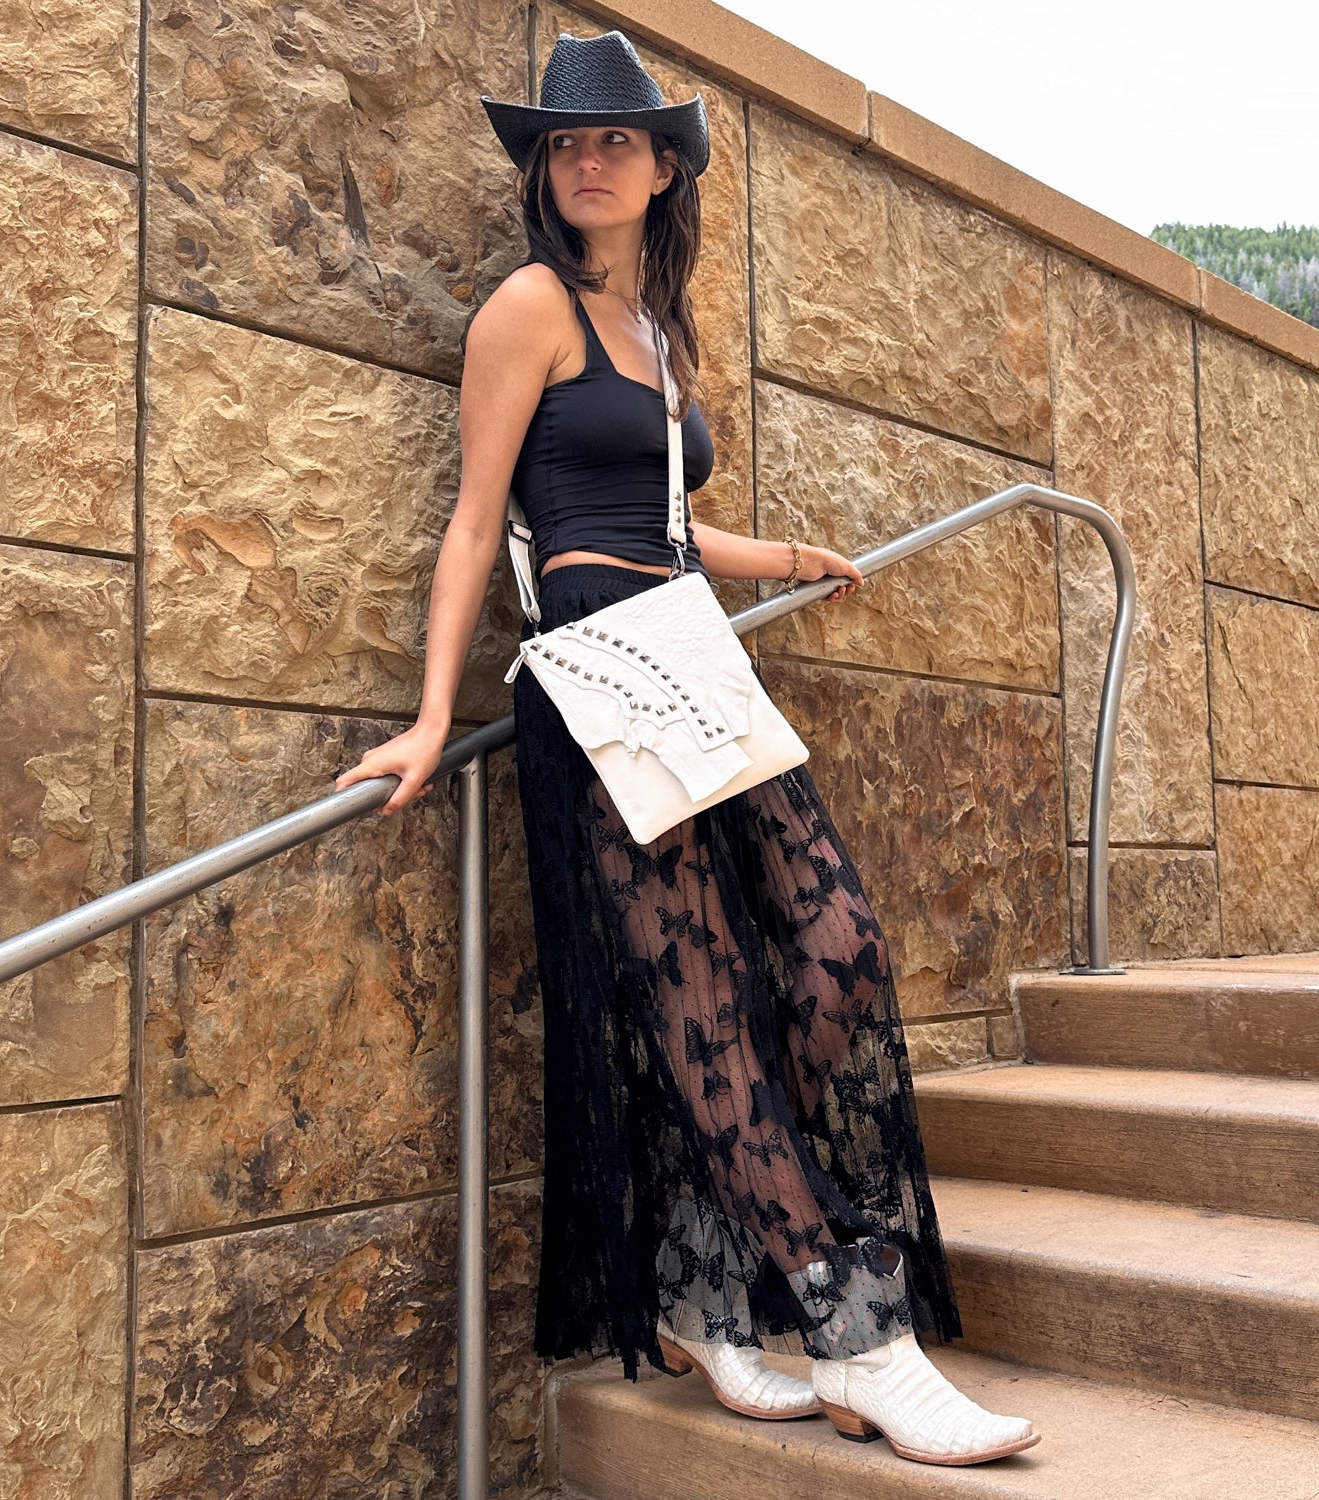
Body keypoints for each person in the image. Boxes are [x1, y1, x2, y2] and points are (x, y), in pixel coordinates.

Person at [336, 28, 1040, 1467]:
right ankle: (852, 1329)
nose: (588, 160)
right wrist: (424, 717)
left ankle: (708, 1281)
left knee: (838, 949)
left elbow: (658, 520)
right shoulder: (525, 308)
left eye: (618, 140)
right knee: (698, 995)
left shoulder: (661, 332)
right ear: (548, 170)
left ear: (667, 170)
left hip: (692, 653)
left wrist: (777, 553)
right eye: (566, 142)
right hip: (594, 674)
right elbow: (487, 520)